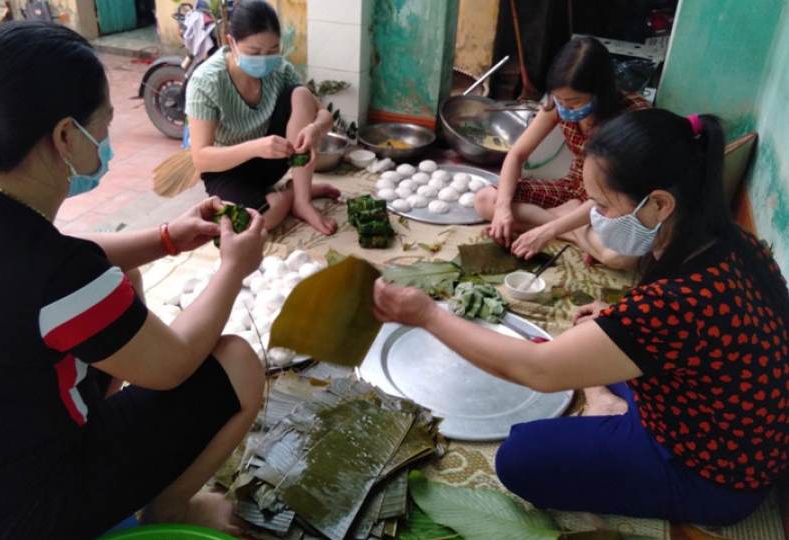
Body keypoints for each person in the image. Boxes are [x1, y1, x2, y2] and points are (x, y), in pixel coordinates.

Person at [0, 21, 267, 539]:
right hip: (31, 513)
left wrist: (170, 238)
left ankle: (103, 434)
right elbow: (174, 363)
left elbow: (70, 264)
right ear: (66, 136)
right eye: (105, 125)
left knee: (122, 277)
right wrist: (233, 268)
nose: (108, 140)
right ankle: (171, 507)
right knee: (239, 363)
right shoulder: (54, 273)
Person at [373, 108, 789, 525]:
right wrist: (614, 327)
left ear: (659, 204)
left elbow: (537, 371)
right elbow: (699, 341)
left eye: (604, 206)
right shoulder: (735, 244)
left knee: (522, 456)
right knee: (590, 337)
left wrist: (426, 314)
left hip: (712, 476)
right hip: (728, 425)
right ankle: (607, 401)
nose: (594, 217)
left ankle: (624, 430)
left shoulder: (677, 303)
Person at [475, 36, 650, 269]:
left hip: (610, 202)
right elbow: (517, 155)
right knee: (485, 200)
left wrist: (549, 231)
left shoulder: (632, 116)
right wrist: (503, 209)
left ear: (599, 91)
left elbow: (612, 195)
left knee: (620, 258)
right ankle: (577, 232)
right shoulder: (556, 106)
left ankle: (564, 224)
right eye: (559, 100)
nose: (565, 108)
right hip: (571, 188)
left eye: (575, 102)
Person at [185, 0, 339, 236]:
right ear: (232, 43)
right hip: (226, 168)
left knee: (300, 94)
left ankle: (303, 201)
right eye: (254, 52)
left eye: (272, 50)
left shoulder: (279, 69)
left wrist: (314, 130)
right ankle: (294, 193)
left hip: (273, 156)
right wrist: (255, 147)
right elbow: (201, 159)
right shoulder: (206, 81)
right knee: (254, 223)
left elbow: (324, 114)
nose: (264, 59)